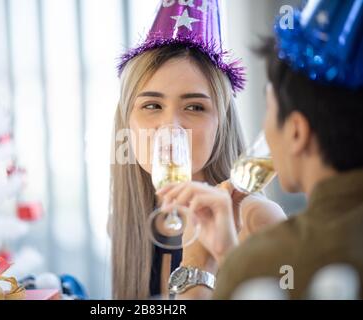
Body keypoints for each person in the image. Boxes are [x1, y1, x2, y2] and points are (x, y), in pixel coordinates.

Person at [159, 0, 363, 299]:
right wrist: (230, 255)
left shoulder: (271, 257)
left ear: (296, 131)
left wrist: (198, 267)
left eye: (269, 107)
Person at [109, 0, 286, 300]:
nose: (171, 128)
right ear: (126, 121)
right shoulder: (125, 221)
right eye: (152, 106)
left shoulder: (257, 219)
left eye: (194, 107)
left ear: (222, 123)